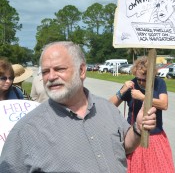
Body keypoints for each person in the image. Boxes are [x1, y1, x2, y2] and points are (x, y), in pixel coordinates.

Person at [0, 41, 157, 173]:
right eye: (46, 71)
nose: (51, 77)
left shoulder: (107, 108)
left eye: (59, 69)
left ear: (81, 71)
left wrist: (137, 128)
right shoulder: (26, 131)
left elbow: (125, 146)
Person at [109, 56, 175, 173]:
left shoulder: (159, 83)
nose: (140, 82)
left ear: (151, 75)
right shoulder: (132, 84)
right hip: (133, 136)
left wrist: (143, 97)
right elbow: (109, 105)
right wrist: (123, 90)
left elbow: (164, 104)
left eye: (143, 79)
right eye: (138, 78)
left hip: (154, 136)